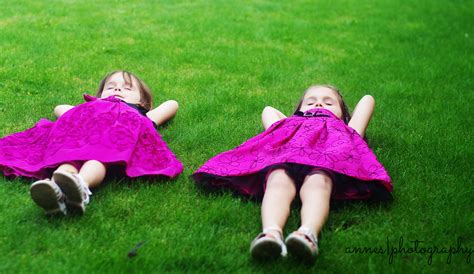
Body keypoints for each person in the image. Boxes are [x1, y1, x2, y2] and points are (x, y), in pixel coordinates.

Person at [192, 84, 392, 263]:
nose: (319, 105)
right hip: (287, 155)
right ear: (297, 111)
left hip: (328, 158)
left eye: (328, 102)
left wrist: (342, 119)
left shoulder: (346, 130)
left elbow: (367, 100)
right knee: (277, 179)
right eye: (311, 101)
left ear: (343, 115)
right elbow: (269, 111)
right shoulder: (287, 126)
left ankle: (307, 233)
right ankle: (271, 234)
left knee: (319, 182)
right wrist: (294, 120)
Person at [0, 71, 183, 215]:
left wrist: (142, 110)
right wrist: (88, 109)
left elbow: (172, 104)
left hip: (113, 144)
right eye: (111, 87)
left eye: (127, 88)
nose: (117, 90)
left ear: (142, 101)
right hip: (82, 141)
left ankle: (81, 185)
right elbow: (61, 109)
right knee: (68, 160)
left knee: (97, 161)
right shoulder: (91, 109)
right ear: (100, 94)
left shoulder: (140, 114)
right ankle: (56, 189)